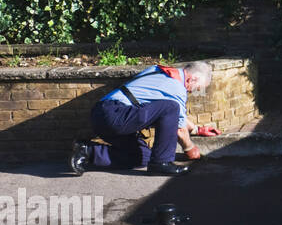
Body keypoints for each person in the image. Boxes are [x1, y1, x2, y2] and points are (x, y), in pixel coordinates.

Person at [68, 61, 222, 176]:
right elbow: (179, 128)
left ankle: (87, 151)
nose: (194, 92)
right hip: (114, 114)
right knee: (171, 107)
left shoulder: (158, 71)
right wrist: (190, 149)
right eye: (198, 89)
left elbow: (177, 118)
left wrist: (197, 129)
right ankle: (161, 163)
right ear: (192, 79)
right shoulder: (177, 88)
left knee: (142, 157)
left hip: (105, 115)